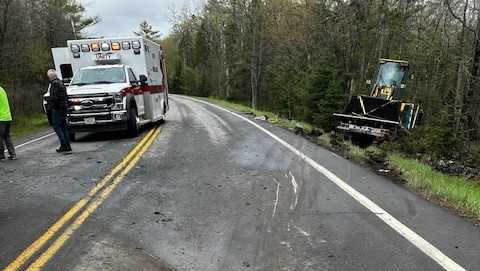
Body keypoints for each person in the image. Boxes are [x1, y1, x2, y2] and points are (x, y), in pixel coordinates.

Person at [45, 69, 72, 154]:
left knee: (57, 126)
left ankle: (63, 144)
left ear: (50, 77)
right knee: (63, 127)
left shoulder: (54, 84)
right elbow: (65, 96)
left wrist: (50, 105)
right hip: (63, 108)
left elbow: (55, 97)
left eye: (48, 77)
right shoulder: (61, 83)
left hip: (57, 109)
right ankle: (67, 145)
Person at [0, 85, 16, 161]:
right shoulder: (2, 89)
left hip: (1, 118)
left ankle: (1, 156)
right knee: (7, 136)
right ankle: (13, 154)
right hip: (7, 117)